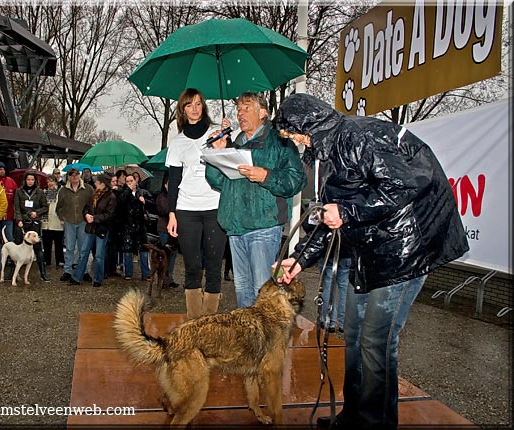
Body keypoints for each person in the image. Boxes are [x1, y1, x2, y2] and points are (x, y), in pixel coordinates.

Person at [274, 93, 470, 430]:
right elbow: (331, 217)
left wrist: (347, 211)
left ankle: (376, 422)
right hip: (371, 249)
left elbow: (402, 185)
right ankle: (355, 415)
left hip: (405, 250)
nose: (296, 142)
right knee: (353, 335)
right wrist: (298, 260)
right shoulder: (333, 151)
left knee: (377, 342)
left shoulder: (359, 136)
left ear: (308, 125)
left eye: (294, 135)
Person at [205, 91, 307, 308]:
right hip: (236, 226)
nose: (240, 113)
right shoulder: (235, 144)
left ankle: (268, 340)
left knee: (262, 289)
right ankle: (250, 339)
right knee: (242, 288)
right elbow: (218, 183)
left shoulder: (280, 142)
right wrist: (217, 155)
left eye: (247, 108)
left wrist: (266, 176)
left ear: (263, 112)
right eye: (239, 109)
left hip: (264, 226)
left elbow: (297, 180)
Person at [166, 88, 229, 317]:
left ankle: (209, 320)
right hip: (186, 209)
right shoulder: (177, 142)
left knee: (214, 265)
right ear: (182, 110)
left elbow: (230, 164)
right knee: (192, 266)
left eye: (198, 103)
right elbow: (173, 180)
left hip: (214, 205)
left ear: (204, 106)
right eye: (189, 105)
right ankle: (194, 322)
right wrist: (172, 214)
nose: (194, 108)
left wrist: (226, 138)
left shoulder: (217, 132)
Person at [69, 174, 116, 288]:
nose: (95, 183)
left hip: (101, 229)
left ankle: (98, 279)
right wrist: (86, 215)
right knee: (84, 252)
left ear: (103, 184)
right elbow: (86, 208)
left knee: (99, 255)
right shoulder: (94, 195)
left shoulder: (111, 197)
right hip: (90, 228)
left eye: (97, 182)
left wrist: (95, 218)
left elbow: (110, 214)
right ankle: (77, 277)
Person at [56, 167, 94, 282]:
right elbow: (59, 206)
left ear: (80, 175)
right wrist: (62, 216)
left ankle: (85, 271)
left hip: (83, 221)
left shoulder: (88, 189)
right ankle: (67, 271)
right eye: (72, 175)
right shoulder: (63, 190)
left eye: (76, 175)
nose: (74, 177)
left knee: (84, 248)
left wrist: (90, 216)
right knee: (69, 247)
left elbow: (92, 204)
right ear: (69, 177)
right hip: (69, 222)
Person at [13, 170, 49, 282]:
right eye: (28, 179)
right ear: (25, 180)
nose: (30, 182)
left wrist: (37, 213)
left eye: (32, 179)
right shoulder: (19, 191)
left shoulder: (40, 192)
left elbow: (45, 207)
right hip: (22, 222)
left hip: (35, 223)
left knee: (38, 248)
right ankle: (15, 273)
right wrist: (19, 220)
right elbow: (17, 207)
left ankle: (43, 273)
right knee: (18, 246)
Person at [118, 174, 149, 281]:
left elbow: (151, 203)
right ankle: (128, 273)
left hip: (140, 225)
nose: (130, 182)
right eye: (127, 181)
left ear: (136, 181)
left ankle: (146, 273)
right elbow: (121, 203)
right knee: (127, 251)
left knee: (144, 250)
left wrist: (144, 201)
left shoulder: (142, 192)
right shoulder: (123, 192)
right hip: (127, 225)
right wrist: (128, 190)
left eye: (131, 180)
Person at [155, 175, 178, 289]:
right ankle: (163, 278)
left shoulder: (176, 197)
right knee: (164, 255)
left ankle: (169, 277)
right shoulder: (161, 197)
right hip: (164, 228)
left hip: (174, 229)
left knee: (173, 255)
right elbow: (163, 210)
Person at [41, 175, 64, 267]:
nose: (50, 183)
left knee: (59, 243)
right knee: (46, 243)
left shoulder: (61, 192)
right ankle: (47, 260)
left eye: (52, 181)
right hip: (46, 222)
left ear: (56, 181)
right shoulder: (44, 192)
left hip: (57, 220)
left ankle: (60, 260)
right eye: (48, 181)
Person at [0, 161, 18, 242]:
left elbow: (16, 197)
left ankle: (9, 254)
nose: (2, 171)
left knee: (9, 238)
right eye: (0, 169)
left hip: (8, 215)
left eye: (3, 169)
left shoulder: (11, 181)